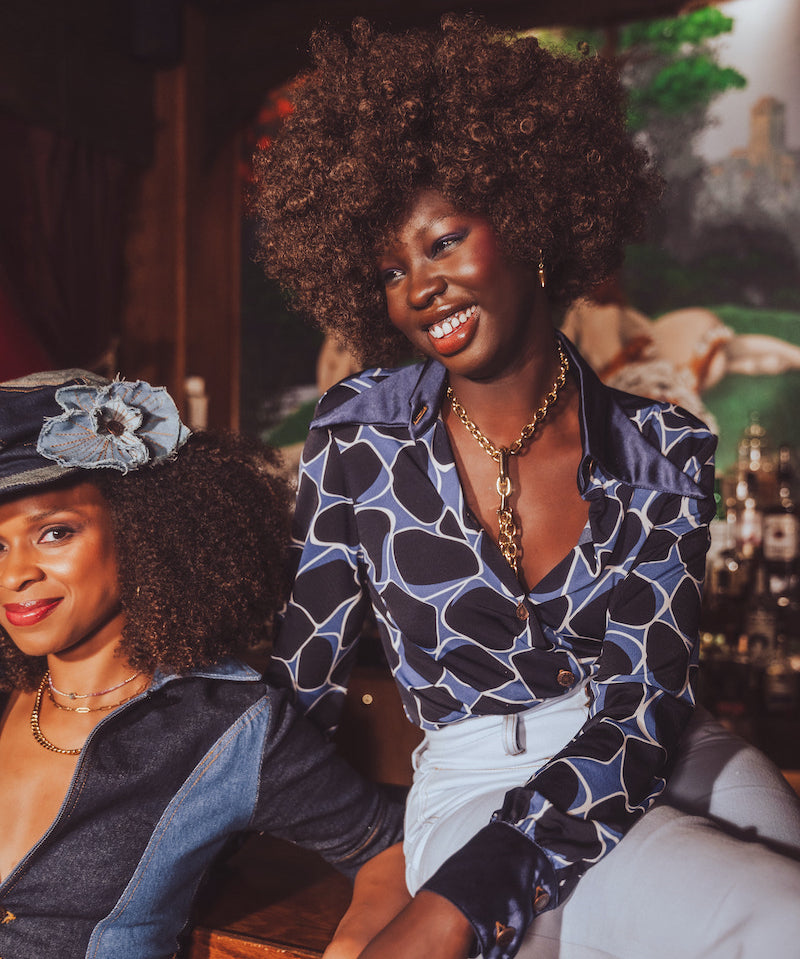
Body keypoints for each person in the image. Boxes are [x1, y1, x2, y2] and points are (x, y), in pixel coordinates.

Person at [252, 15, 800, 959]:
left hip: (663, 747)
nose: (418, 285)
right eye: (392, 268)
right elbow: (303, 681)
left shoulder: (663, 450)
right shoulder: (360, 435)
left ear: (533, 220)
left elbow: (641, 709)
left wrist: (450, 904)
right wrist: (385, 859)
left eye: (444, 241)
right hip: (475, 778)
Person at [0, 368, 404, 959]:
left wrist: (352, 949)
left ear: (142, 530)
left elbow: (388, 847)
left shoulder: (228, 726)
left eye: (55, 533)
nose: (14, 575)